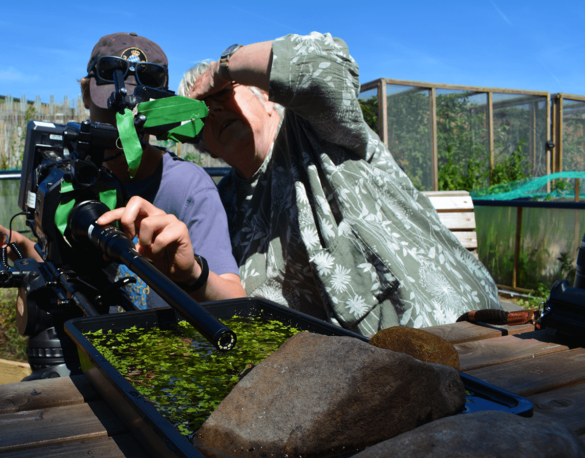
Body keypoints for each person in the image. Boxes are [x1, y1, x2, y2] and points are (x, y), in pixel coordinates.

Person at [177, 32, 501, 336]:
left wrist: (222, 69)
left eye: (222, 93)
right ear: (204, 144)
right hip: (347, 365)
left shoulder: (310, 126)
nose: (214, 110)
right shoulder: (221, 201)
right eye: (200, 112)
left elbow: (327, 63)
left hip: (449, 327)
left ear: (265, 94)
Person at [0, 33, 244, 307]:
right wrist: (16, 245)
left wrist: (192, 274)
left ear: (160, 106)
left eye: (136, 111)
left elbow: (234, 301)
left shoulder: (187, 187)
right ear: (86, 95)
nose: (124, 122)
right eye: (111, 108)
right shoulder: (69, 176)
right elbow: (65, 270)